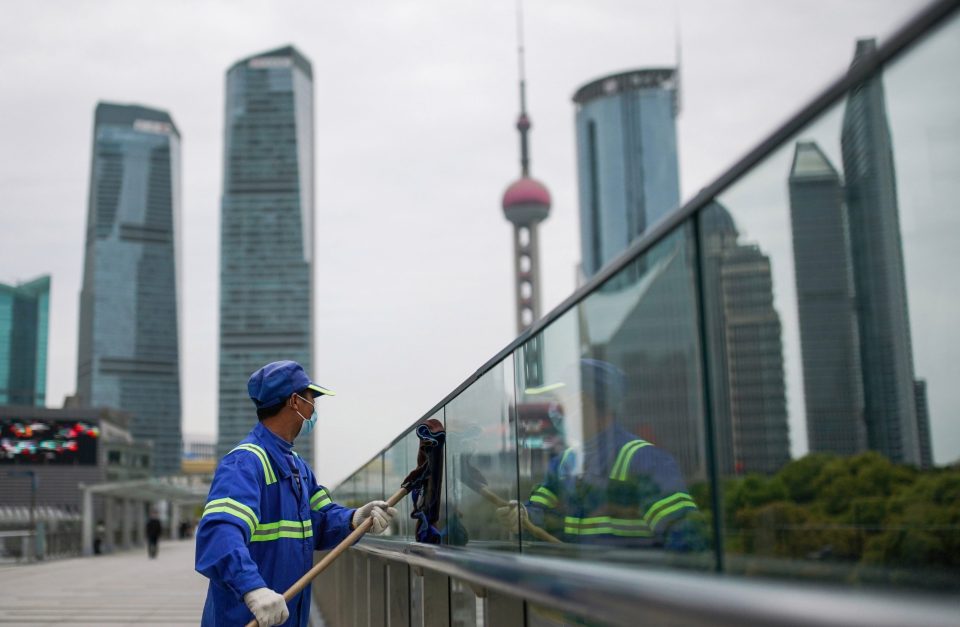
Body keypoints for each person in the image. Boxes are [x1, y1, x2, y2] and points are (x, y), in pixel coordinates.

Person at [195, 360, 397, 627]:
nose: (314, 408)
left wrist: (354, 519)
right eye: (312, 398)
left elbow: (321, 520)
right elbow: (219, 533)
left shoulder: (298, 468)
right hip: (244, 617)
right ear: (295, 402)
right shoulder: (245, 463)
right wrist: (252, 588)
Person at [499, 358, 705, 550]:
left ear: (587, 405)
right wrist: (523, 515)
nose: (556, 411)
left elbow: (686, 539)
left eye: (563, 403)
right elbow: (542, 512)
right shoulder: (563, 464)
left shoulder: (645, 461)